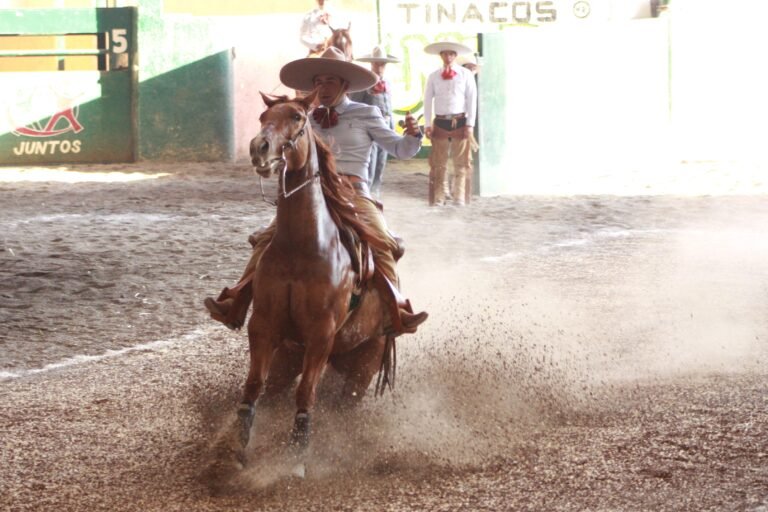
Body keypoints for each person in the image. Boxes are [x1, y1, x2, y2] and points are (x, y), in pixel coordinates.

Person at [204, 47, 428, 336]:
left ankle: (396, 309)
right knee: (266, 239)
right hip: (309, 193)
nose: (323, 87)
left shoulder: (367, 113)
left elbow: (400, 149)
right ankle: (236, 300)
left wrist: (413, 136)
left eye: (330, 81)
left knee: (382, 242)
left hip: (354, 193)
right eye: (319, 81)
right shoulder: (300, 117)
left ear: (345, 85)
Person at [423, 41, 477, 206]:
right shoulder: (433, 76)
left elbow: (471, 99)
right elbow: (427, 100)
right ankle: (439, 196)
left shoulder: (465, 75)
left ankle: (459, 196)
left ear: (455, 56)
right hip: (440, 121)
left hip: (460, 121)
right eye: (445, 54)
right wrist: (427, 124)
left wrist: (470, 124)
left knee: (461, 162)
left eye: (451, 54)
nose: (448, 57)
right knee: (439, 163)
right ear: (441, 56)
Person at [348, 46, 401, 198]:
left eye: (382, 64)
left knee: (381, 160)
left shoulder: (388, 83)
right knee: (370, 159)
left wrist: (392, 127)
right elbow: (355, 105)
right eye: (377, 64)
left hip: (385, 125)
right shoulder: (363, 84)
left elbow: (389, 108)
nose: (380, 67)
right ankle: (367, 191)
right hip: (369, 128)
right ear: (371, 64)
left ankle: (375, 189)